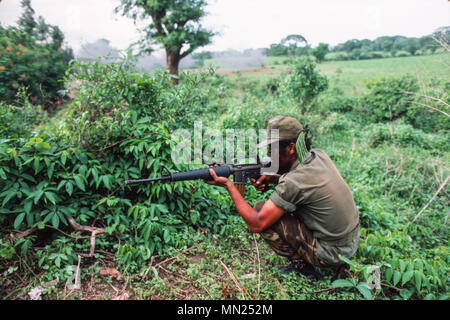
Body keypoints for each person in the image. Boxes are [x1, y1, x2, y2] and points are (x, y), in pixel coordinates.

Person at [204, 116, 360, 279]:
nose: (268, 154)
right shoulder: (317, 156)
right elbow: (305, 186)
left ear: (291, 148)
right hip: (351, 241)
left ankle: (303, 269)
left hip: (333, 253)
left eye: (272, 149)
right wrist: (274, 178)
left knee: (260, 210)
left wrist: (229, 185)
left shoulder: (293, 182)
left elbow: (256, 223)